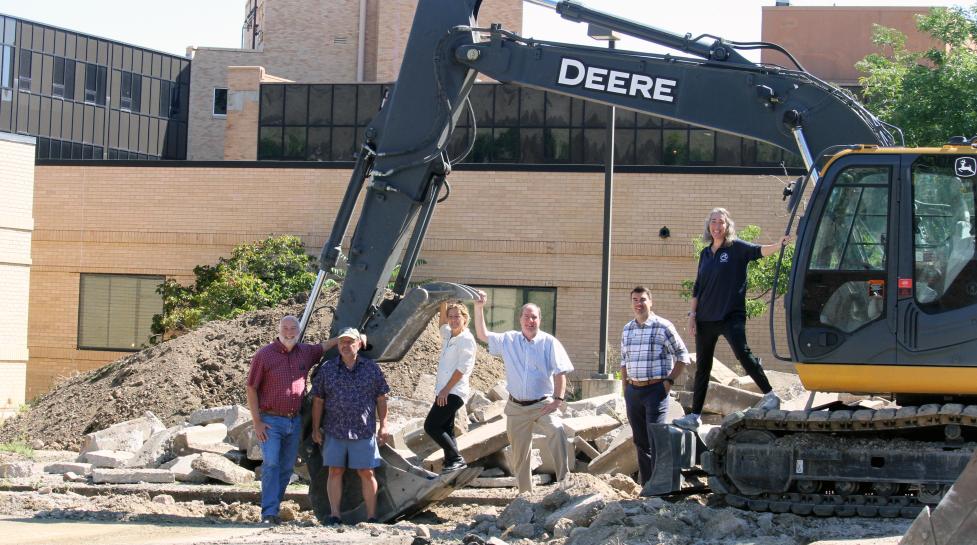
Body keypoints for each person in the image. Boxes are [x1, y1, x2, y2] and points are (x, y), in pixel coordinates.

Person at [674, 207, 791, 431]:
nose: (717, 226)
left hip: (730, 315)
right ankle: (695, 417)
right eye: (713, 222)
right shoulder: (705, 253)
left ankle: (770, 395)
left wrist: (779, 245)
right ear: (709, 226)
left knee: (742, 352)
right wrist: (692, 315)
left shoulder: (736, 248)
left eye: (721, 222)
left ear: (728, 226)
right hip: (705, 318)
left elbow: (759, 251)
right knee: (703, 368)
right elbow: (698, 286)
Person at [473, 290, 573, 494]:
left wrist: (558, 400)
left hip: (542, 404)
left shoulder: (549, 342)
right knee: (520, 454)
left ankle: (565, 483)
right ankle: (525, 495)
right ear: (520, 320)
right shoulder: (509, 340)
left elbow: (560, 372)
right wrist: (478, 307)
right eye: (526, 316)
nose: (530, 320)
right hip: (516, 407)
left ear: (539, 320)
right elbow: (483, 335)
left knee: (557, 431)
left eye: (534, 317)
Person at [246, 315, 325, 525]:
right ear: (279, 330)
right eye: (286, 328)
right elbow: (251, 387)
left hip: (294, 421)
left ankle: (274, 507)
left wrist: (351, 338)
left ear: (299, 331)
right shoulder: (265, 355)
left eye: (293, 328)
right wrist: (257, 422)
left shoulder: (305, 352)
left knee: (287, 467)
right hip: (270, 421)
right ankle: (269, 512)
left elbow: (324, 346)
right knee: (271, 463)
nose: (289, 332)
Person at [310, 327, 390, 525]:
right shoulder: (328, 369)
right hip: (334, 430)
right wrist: (315, 428)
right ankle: (335, 515)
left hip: (363, 431)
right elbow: (318, 400)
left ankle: (372, 516)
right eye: (342, 342)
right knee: (335, 471)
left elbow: (381, 398)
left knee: (366, 472)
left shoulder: (371, 368)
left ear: (359, 344)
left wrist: (384, 425)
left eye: (350, 342)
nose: (345, 346)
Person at [620, 286, 690, 486]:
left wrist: (668, 382)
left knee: (657, 438)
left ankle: (664, 486)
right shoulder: (627, 329)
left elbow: (682, 356)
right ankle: (647, 486)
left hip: (656, 391)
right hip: (634, 391)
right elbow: (624, 361)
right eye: (635, 300)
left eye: (642, 299)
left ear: (651, 302)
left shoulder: (663, 326)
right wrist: (626, 389)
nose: (638, 304)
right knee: (640, 442)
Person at [424, 301, 477, 473]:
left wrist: (446, 390)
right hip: (444, 391)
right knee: (446, 429)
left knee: (431, 426)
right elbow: (441, 325)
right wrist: (442, 302)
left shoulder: (466, 340)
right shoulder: (449, 334)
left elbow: (462, 369)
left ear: (465, 318)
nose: (453, 320)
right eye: (451, 316)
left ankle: (456, 458)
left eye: (457, 317)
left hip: (453, 392)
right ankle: (451, 465)